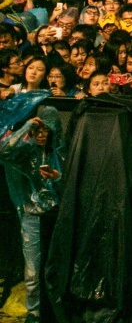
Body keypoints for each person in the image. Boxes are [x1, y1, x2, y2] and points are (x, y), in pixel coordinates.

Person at [0, 98, 63, 323]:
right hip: (32, 215)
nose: (41, 134)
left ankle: (53, 313)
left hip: (56, 216)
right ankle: (34, 315)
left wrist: (58, 177)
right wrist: (27, 126)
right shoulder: (25, 151)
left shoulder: (61, 152)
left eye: (46, 129)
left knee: (55, 268)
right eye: (38, 129)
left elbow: (74, 188)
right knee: (33, 272)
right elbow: (3, 151)